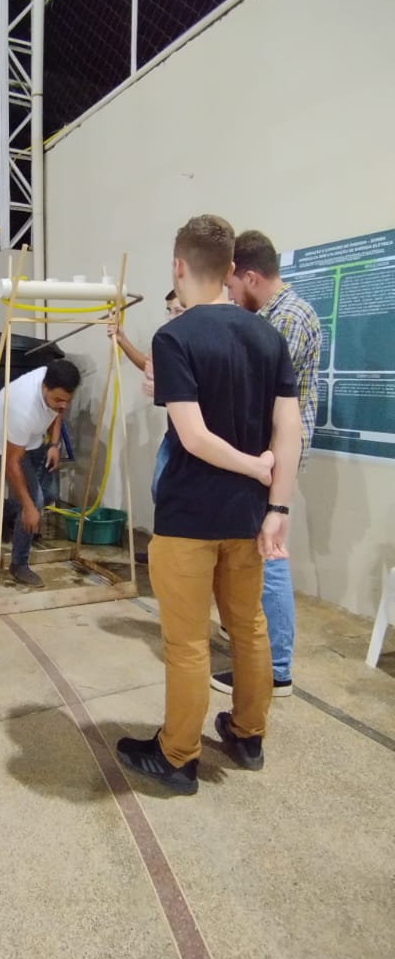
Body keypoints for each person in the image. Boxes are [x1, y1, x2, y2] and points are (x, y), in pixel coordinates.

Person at [117, 214, 301, 795]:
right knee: (248, 628)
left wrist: (252, 466)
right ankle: (248, 735)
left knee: (189, 642)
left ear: (178, 266)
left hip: (189, 518)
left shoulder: (175, 337)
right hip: (247, 516)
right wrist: (277, 505)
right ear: (230, 269)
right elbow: (289, 431)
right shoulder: (267, 336)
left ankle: (177, 756)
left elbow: (193, 437)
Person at [210, 229, 322, 698]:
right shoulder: (273, 314)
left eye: (233, 285)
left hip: (275, 453)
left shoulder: (288, 318)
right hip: (266, 453)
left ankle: (275, 670)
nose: (232, 296)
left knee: (268, 555)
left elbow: (266, 397)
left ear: (251, 276)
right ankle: (263, 659)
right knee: (261, 554)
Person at [0, 359, 81, 588]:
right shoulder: (23, 407)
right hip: (3, 445)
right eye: (58, 399)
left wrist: (54, 445)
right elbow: (12, 463)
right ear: (44, 387)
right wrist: (28, 507)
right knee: (33, 503)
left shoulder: (54, 384)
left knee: (49, 494)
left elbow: (57, 412)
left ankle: (6, 512)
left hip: (33, 439)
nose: (63, 405)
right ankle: (19, 564)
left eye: (67, 400)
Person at [108, 290, 186, 561]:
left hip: (193, 436)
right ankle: (162, 550)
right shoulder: (168, 340)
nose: (171, 317)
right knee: (160, 489)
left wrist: (164, 389)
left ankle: (171, 554)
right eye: (169, 311)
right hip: (174, 434)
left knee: (176, 494)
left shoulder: (197, 340)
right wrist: (122, 339)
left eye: (178, 311)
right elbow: (149, 365)